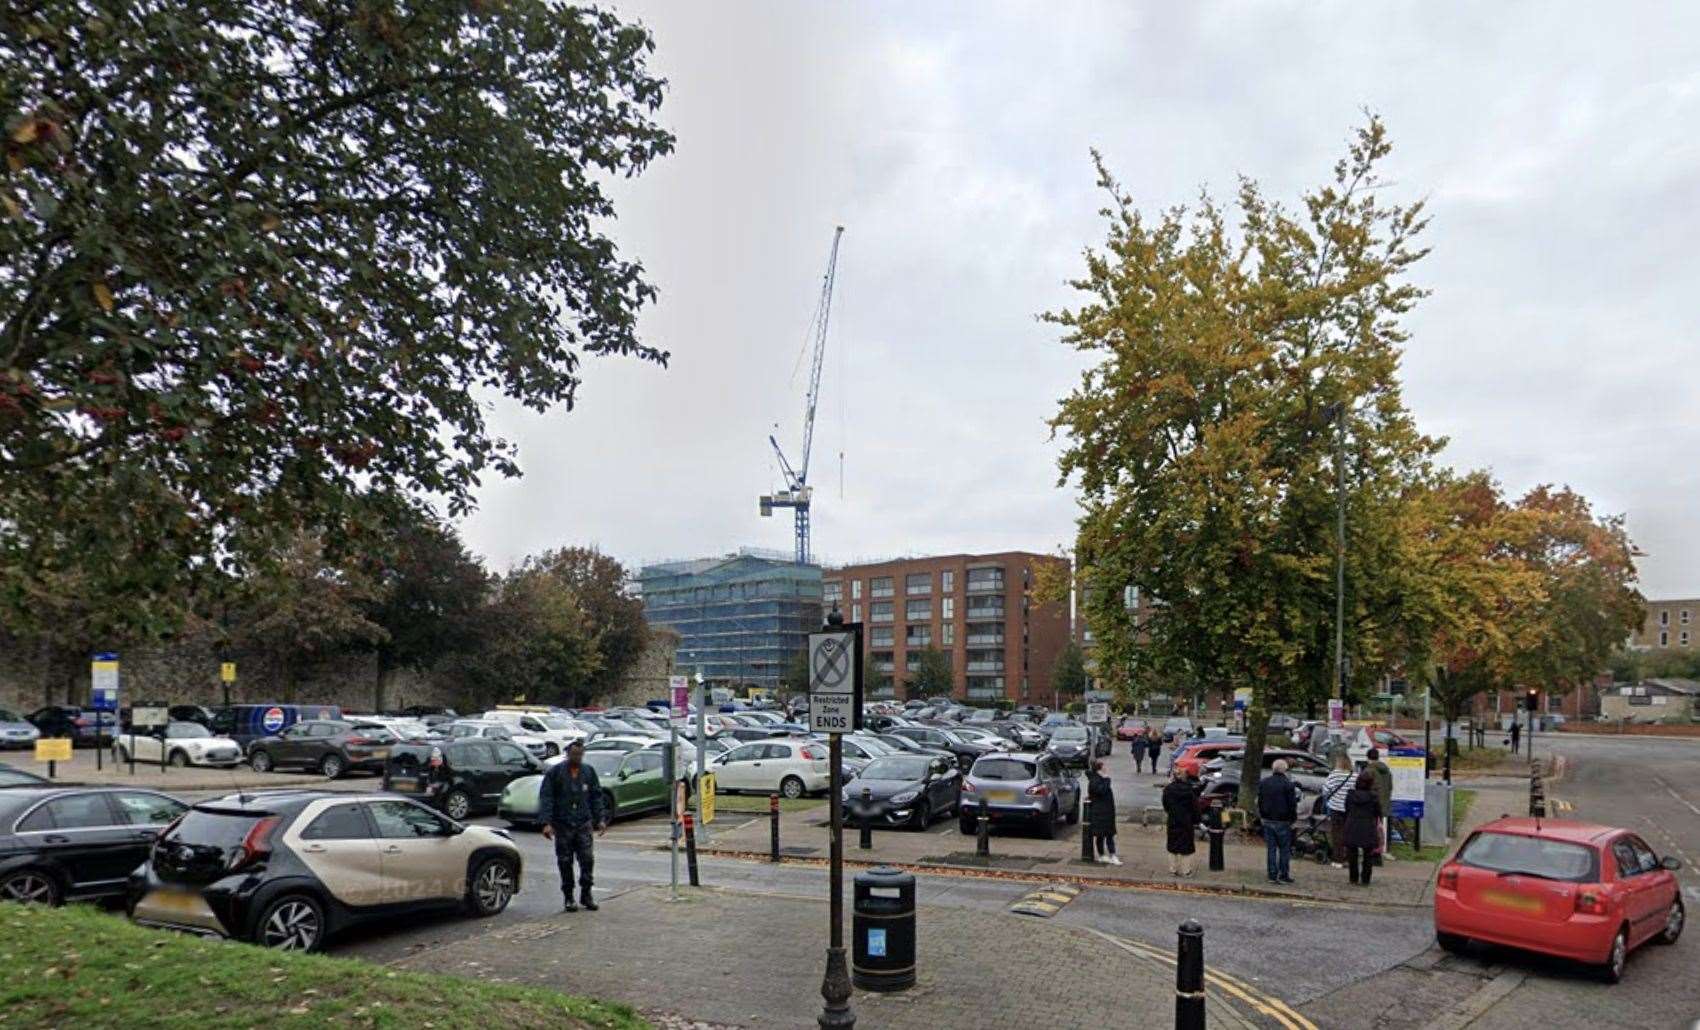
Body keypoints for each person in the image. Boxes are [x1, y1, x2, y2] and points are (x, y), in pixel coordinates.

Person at [538, 740, 608, 912]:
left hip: (583, 823)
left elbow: (596, 796)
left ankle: (586, 894)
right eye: (574, 754)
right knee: (565, 861)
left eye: (580, 754)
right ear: (567, 754)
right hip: (563, 824)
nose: (577, 757)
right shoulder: (555, 773)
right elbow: (547, 797)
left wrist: (601, 819)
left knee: (587, 860)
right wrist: (546, 822)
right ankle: (568, 897)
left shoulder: (588, 772)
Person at [1256, 758, 1300, 884]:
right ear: (1285, 770)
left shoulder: (1264, 783)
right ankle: (1283, 874)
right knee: (1284, 849)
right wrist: (1293, 819)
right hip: (1283, 820)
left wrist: (1262, 815)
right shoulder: (1288, 785)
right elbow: (1292, 805)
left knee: (1271, 849)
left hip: (1268, 819)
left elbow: (1260, 800)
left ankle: (1272, 874)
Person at [1342, 770, 1383, 886]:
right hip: (1367, 826)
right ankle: (1365, 879)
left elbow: (1347, 808)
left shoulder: (1351, 795)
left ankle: (1353, 878)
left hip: (1353, 824)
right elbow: (1378, 812)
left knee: (1352, 853)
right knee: (1368, 855)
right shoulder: (1373, 797)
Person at [1161, 767, 1199, 876]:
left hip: (1173, 819)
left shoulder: (1168, 789)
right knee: (1187, 846)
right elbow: (1195, 807)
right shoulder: (1189, 791)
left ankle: (1173, 869)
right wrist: (1196, 819)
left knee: (1172, 844)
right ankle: (1186, 871)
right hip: (1186, 821)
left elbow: (1165, 804)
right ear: (1185, 777)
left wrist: (1170, 812)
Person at [1320, 752, 1354, 869]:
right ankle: (1349, 859)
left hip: (1335, 807)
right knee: (1349, 834)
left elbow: (1325, 790)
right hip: (1350, 809)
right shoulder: (1354, 775)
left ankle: (1337, 859)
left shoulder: (1334, 774)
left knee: (1336, 834)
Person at [1087, 758, 1122, 865]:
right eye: (1104, 766)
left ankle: (1110, 855)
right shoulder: (1095, 780)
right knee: (1101, 835)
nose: (1106, 768)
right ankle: (1105, 855)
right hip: (1100, 812)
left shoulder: (1098, 778)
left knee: (1108, 835)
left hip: (1106, 811)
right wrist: (1107, 779)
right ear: (1100, 768)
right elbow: (1101, 791)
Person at [1366, 747, 1394, 865]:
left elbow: (1365, 786)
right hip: (1384, 803)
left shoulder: (1369, 770)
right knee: (1380, 829)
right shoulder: (1387, 771)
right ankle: (1380, 851)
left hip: (1372, 804)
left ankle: (1374, 854)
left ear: (1368, 758)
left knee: (1372, 830)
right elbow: (1390, 786)